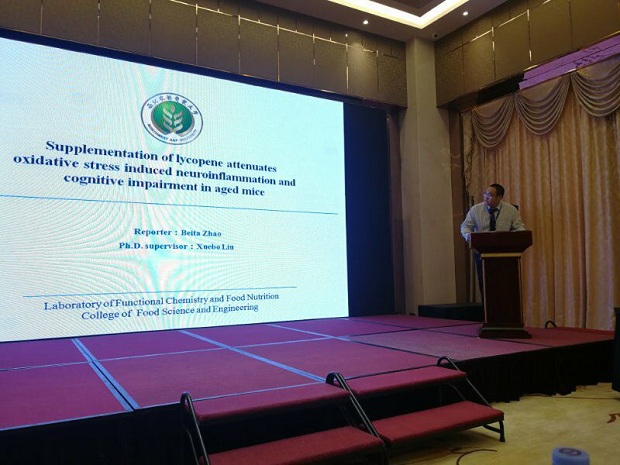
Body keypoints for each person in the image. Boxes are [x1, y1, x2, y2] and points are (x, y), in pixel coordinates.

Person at [460, 183, 526, 296]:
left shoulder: (511, 210)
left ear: (499, 197)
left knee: (504, 284)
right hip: (481, 252)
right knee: (485, 284)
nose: (486, 197)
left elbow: (519, 227)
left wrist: (521, 234)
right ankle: (486, 307)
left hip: (505, 254)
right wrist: (469, 235)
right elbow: (465, 226)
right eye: (485, 194)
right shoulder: (475, 210)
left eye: (490, 195)